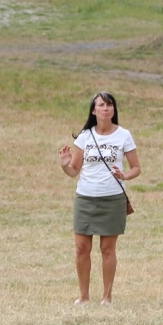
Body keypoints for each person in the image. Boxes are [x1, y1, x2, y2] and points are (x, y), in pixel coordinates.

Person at [57, 92, 140, 305]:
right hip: (85, 198)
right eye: (101, 105)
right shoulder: (85, 136)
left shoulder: (124, 135)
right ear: (93, 111)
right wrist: (65, 165)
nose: (105, 108)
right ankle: (84, 296)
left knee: (107, 249)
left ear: (114, 109)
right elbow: (74, 170)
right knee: (81, 248)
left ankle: (107, 297)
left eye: (109, 105)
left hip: (112, 199)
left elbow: (136, 168)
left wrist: (124, 175)